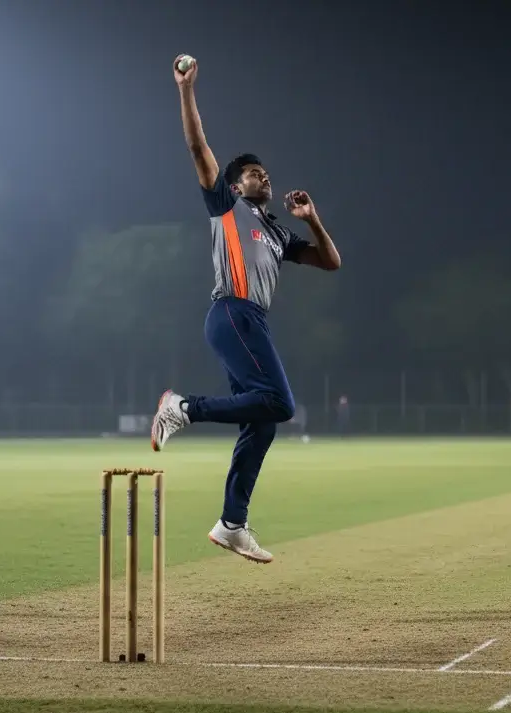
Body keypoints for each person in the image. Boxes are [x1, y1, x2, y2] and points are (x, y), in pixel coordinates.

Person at [150, 54, 343, 565]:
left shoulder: (279, 231)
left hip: (250, 320)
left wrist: (313, 219)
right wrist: (186, 90)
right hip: (231, 312)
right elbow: (197, 146)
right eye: (255, 174)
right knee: (280, 403)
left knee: (263, 421)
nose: (265, 177)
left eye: (266, 173)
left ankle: (232, 523)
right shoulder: (225, 206)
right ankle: (182, 407)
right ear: (237, 185)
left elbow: (331, 262)